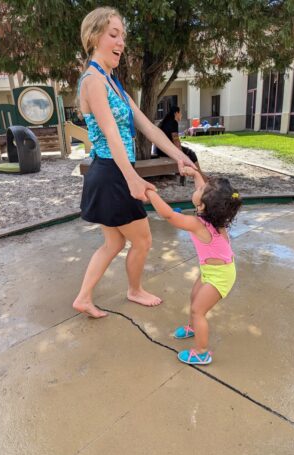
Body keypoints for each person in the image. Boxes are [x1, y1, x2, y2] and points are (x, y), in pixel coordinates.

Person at [72, 7, 199, 318]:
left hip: (111, 172)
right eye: (113, 34)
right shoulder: (93, 81)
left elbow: (150, 128)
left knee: (114, 243)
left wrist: (180, 156)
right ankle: (134, 290)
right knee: (142, 240)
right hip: (112, 172)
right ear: (94, 36)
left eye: (123, 37)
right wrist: (131, 178)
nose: (121, 42)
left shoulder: (113, 84)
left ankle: (83, 298)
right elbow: (112, 134)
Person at [146, 167, 242, 365]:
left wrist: (150, 193)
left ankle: (201, 352)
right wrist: (196, 175)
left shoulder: (197, 223)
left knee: (199, 310)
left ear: (203, 205)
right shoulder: (214, 215)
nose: (197, 188)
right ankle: (193, 327)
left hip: (221, 276)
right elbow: (202, 189)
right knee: (194, 297)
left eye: (201, 189)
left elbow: (170, 216)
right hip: (213, 270)